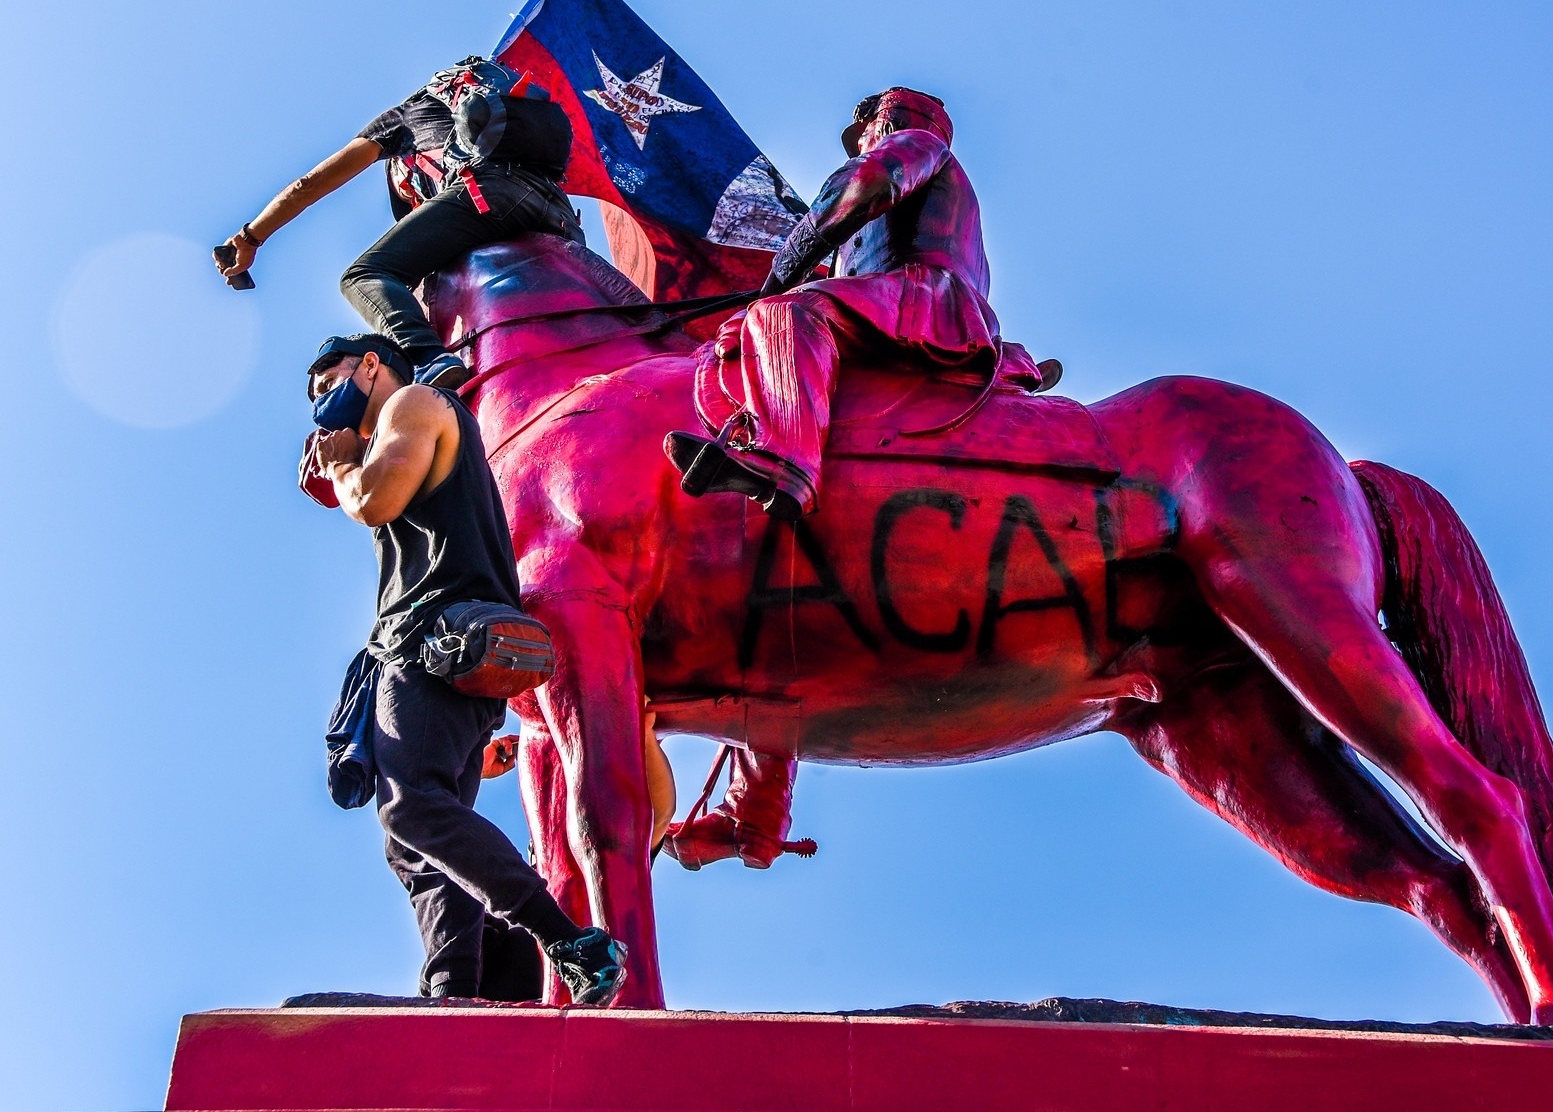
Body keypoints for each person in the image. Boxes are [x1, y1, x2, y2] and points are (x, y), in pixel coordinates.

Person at [305, 331, 626, 1002]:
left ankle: (568, 941)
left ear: (370, 365)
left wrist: (340, 469)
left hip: (433, 646)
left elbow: (374, 501)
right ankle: (456, 987)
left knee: (412, 809)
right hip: (443, 657)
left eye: (327, 379)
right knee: (422, 845)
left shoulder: (416, 403)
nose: (319, 403)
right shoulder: (403, 428)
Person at [665, 87, 1031, 518]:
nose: (859, 148)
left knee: (784, 314)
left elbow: (868, 182)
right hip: (897, 303)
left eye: (864, 137)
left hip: (921, 298)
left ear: (887, 126)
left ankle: (781, 458)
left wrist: (784, 271)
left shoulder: (919, 144)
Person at [217, 58, 583, 389]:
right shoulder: (479, 102)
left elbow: (306, 186)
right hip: (559, 215)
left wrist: (251, 236)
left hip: (487, 196)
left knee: (363, 276)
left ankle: (428, 359)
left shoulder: (403, 118)